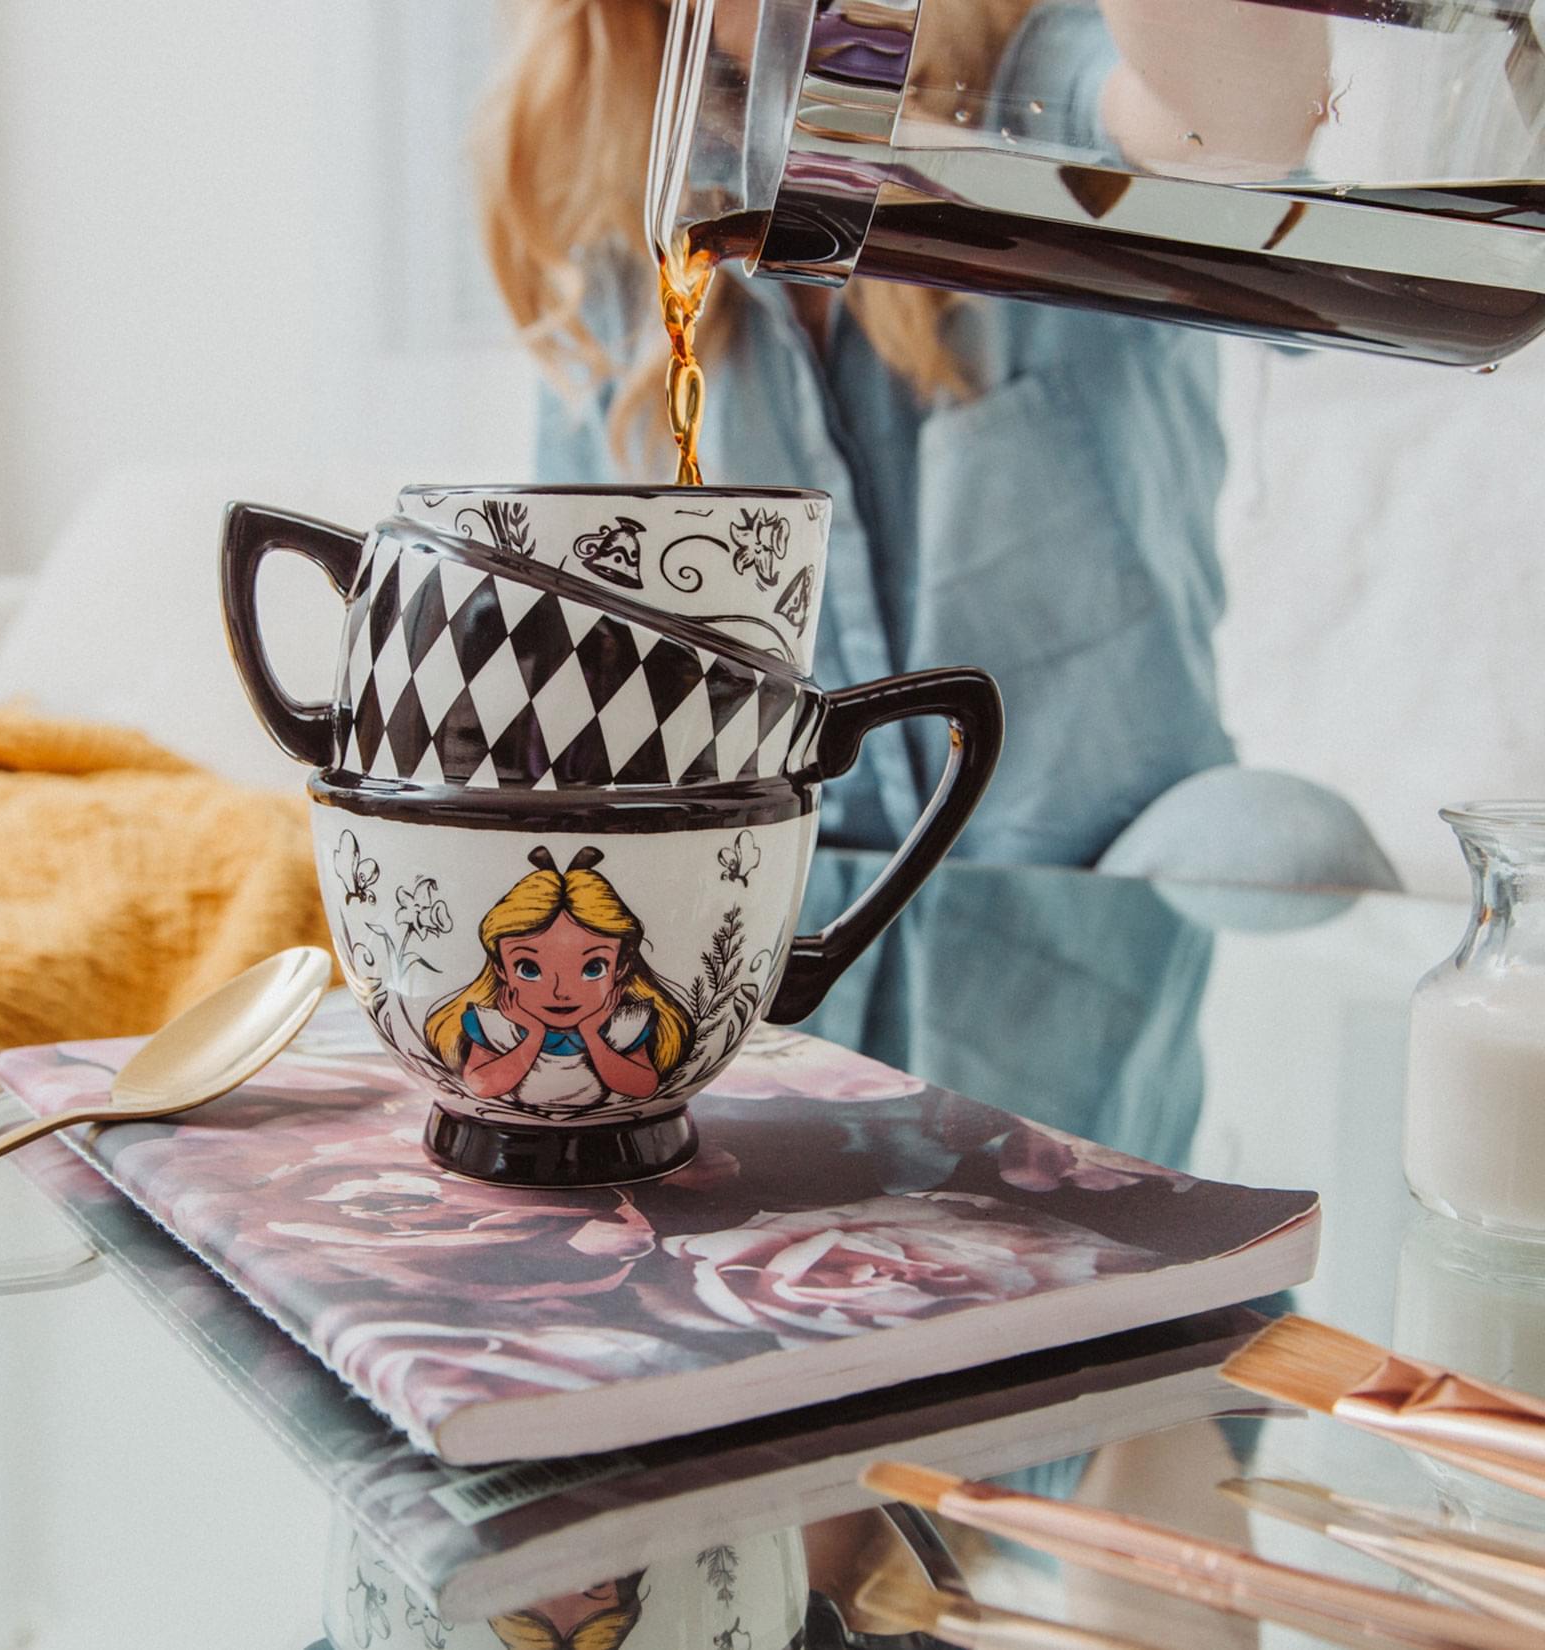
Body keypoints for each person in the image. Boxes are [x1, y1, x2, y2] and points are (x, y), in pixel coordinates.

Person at [476, 0, 1399, 889]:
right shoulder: (625, 222)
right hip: (770, 894)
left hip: (1089, 905)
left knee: (1282, 841)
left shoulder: (1033, 90)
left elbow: (1228, 129)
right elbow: (572, 667)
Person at [425, 846, 693, 1117]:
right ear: (500, 969)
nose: (561, 992)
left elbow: (643, 1085)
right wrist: (533, 1033)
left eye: (593, 968)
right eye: (528, 969)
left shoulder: (623, 1026)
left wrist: (591, 1033)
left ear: (621, 967)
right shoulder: (495, 1025)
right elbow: (482, 1085)